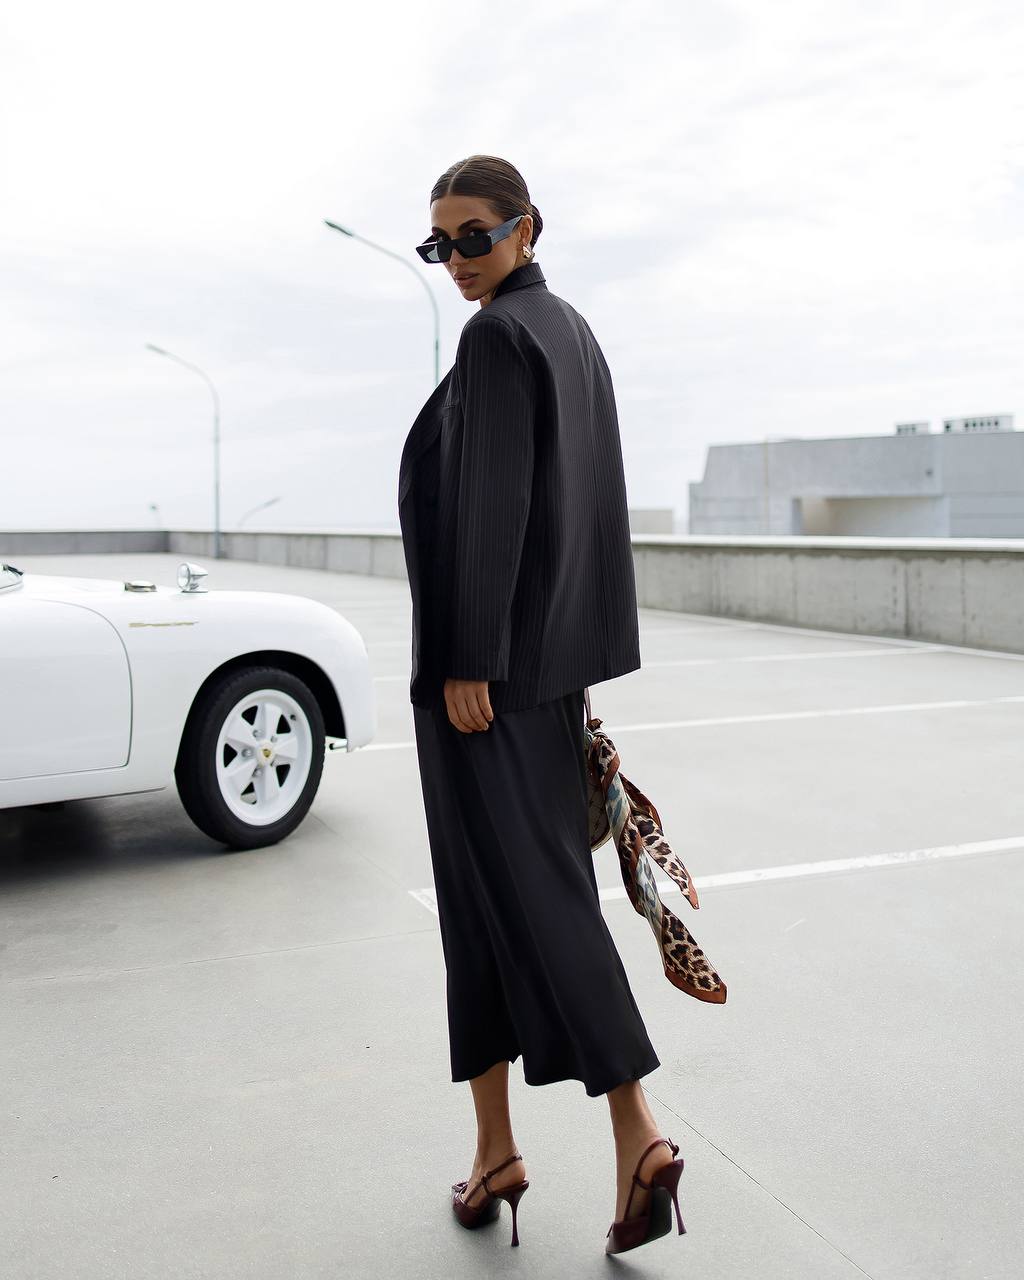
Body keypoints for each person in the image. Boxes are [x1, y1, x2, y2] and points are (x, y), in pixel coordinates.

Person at [397, 155, 686, 1256]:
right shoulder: (570, 329)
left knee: (526, 905)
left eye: (475, 236)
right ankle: (494, 1150)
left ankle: (639, 1129)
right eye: (440, 245)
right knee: (491, 904)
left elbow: (494, 507)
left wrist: (470, 656)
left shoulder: (498, 337)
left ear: (526, 228)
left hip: (487, 683)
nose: (457, 261)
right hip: (543, 675)